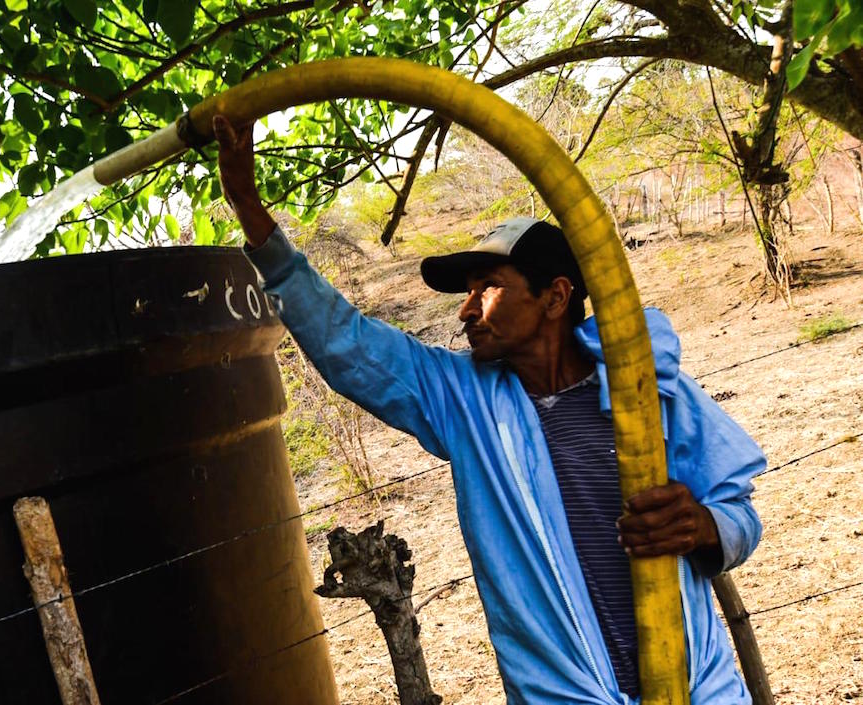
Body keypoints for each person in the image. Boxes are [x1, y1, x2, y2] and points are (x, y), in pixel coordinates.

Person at [213, 115, 765, 704]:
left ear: (555, 296)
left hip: (701, 689)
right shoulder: (464, 399)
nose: (466, 310)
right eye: (467, 292)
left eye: (488, 288)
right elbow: (349, 343)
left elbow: (738, 514)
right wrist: (250, 209)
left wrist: (703, 526)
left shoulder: (643, 381)